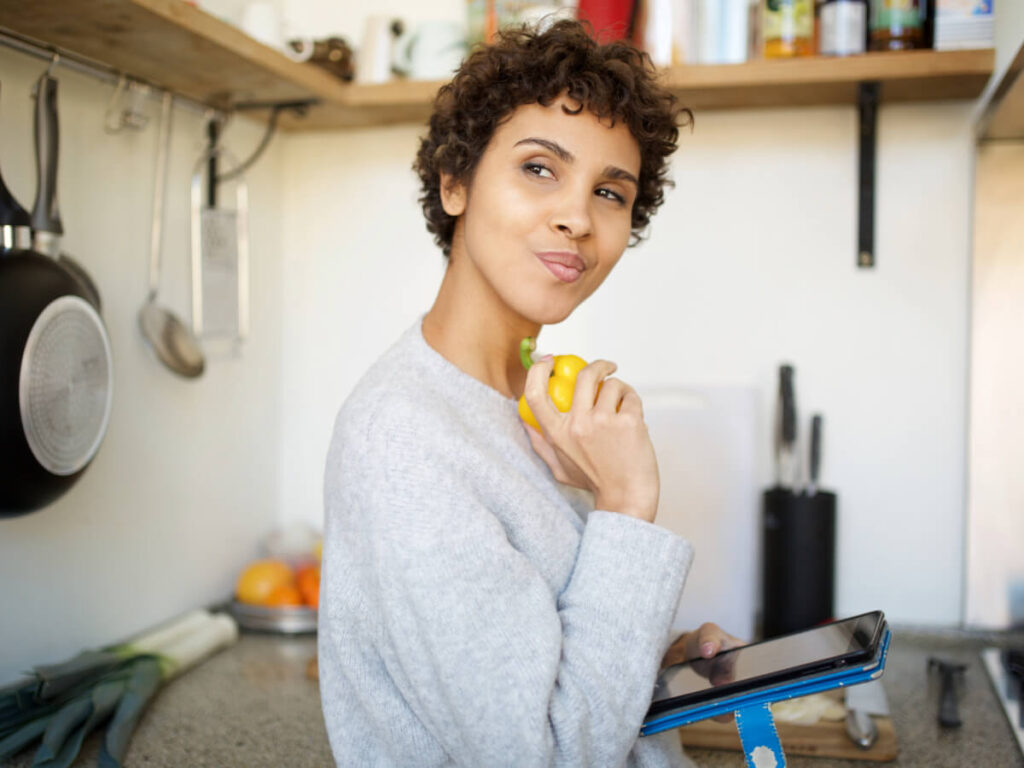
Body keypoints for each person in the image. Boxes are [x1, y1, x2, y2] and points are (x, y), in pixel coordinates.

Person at [319, 19, 741, 767]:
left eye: (610, 191)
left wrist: (658, 654)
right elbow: (542, 756)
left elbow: (546, 669)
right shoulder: (404, 439)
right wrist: (626, 503)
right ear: (455, 182)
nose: (577, 217)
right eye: (540, 168)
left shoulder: (536, 406)